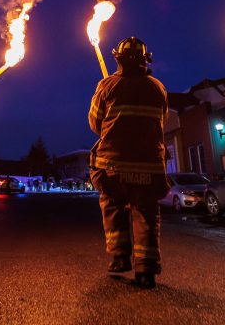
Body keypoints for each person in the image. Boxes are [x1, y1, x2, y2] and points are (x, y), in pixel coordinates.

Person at [88, 37, 169, 289]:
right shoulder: (158, 88)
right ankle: (146, 270)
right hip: (149, 168)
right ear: (146, 60)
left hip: (113, 167)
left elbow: (95, 123)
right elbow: (162, 121)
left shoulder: (107, 85)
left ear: (118, 59)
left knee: (113, 207)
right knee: (146, 215)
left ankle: (119, 259)